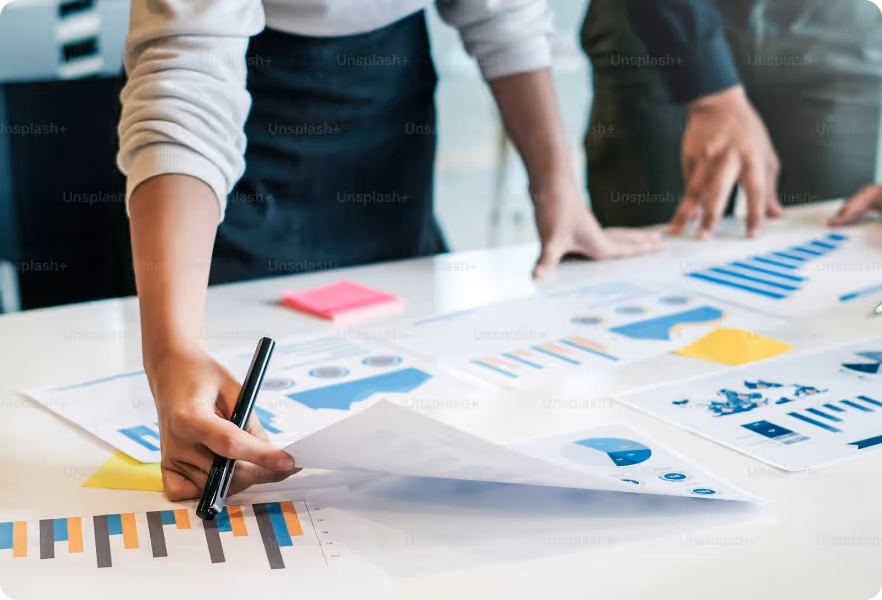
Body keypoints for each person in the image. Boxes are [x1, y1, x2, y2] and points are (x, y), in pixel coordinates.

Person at [118, 0, 665, 501]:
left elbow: (504, 14)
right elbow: (186, 77)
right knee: (247, 359)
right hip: (241, 116)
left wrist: (557, 189)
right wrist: (172, 348)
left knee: (398, 343)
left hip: (387, 90)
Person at [582, 0, 882, 237]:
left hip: (842, 26)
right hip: (656, 25)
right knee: (656, 236)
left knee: (834, 232)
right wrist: (709, 91)